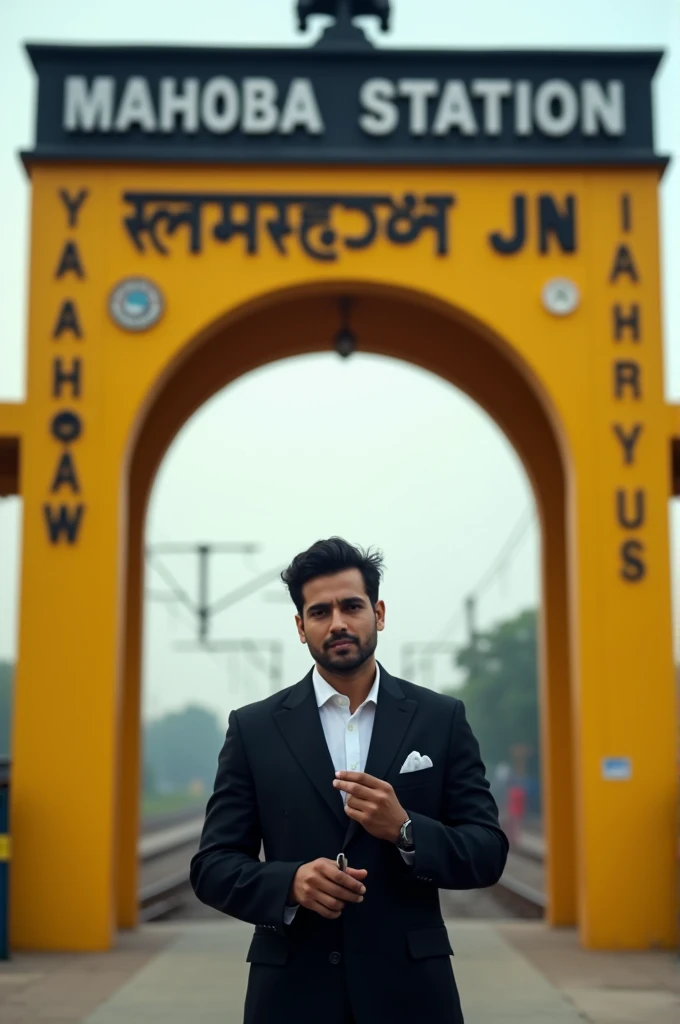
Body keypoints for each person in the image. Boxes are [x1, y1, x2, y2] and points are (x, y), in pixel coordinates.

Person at [190, 538, 508, 1024]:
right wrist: (289, 883)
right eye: (319, 612)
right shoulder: (254, 728)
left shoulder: (440, 718)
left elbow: (487, 851)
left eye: (351, 606)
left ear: (378, 613)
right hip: (291, 996)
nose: (337, 622)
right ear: (301, 627)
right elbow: (212, 866)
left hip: (412, 995)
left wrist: (405, 829)